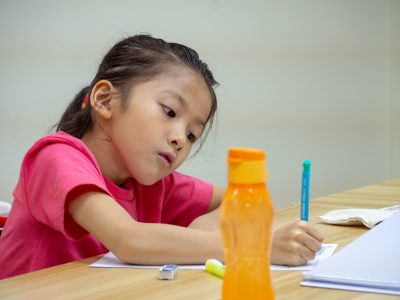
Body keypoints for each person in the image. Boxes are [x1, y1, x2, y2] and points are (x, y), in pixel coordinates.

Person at [0, 34, 323, 279]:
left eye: (193, 134)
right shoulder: (56, 156)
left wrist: (203, 227)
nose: (180, 138)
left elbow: (250, 198)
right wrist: (256, 249)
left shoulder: (153, 183)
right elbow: (130, 241)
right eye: (169, 111)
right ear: (104, 100)